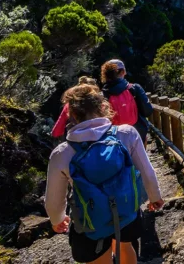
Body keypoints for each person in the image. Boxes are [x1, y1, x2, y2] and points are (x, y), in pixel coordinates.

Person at [46, 84, 164, 264]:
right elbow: (147, 170)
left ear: (73, 115)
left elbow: (54, 198)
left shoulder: (62, 153)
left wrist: (58, 219)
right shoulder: (126, 133)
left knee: (99, 259)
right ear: (103, 107)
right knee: (126, 246)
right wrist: (155, 197)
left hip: (90, 219)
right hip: (126, 210)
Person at [100, 59, 153, 142]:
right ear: (123, 72)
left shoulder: (102, 95)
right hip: (137, 132)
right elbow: (148, 111)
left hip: (114, 136)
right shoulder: (134, 88)